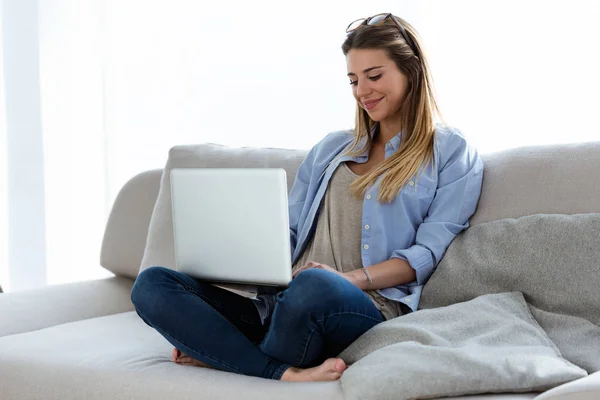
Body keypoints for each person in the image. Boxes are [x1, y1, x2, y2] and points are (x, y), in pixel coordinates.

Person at [130, 13, 484, 382]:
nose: (362, 90)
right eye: (353, 80)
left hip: (360, 305)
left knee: (313, 286)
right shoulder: (332, 147)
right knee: (153, 284)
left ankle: (227, 354)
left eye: (374, 76)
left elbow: (425, 255)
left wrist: (348, 279)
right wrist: (249, 256)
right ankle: (279, 371)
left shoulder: (449, 151)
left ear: (410, 71)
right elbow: (292, 230)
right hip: (282, 305)